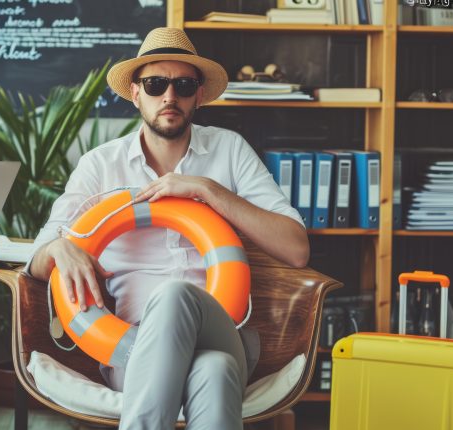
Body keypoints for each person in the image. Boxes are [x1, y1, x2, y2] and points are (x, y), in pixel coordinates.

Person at [24, 27, 309, 430]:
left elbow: (297, 249)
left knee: (176, 296)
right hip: (131, 348)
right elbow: (37, 255)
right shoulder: (101, 166)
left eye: (184, 85)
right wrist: (58, 249)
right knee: (213, 372)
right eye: (156, 84)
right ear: (136, 93)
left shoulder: (229, 150)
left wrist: (208, 190)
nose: (169, 97)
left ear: (199, 96)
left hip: (223, 329)